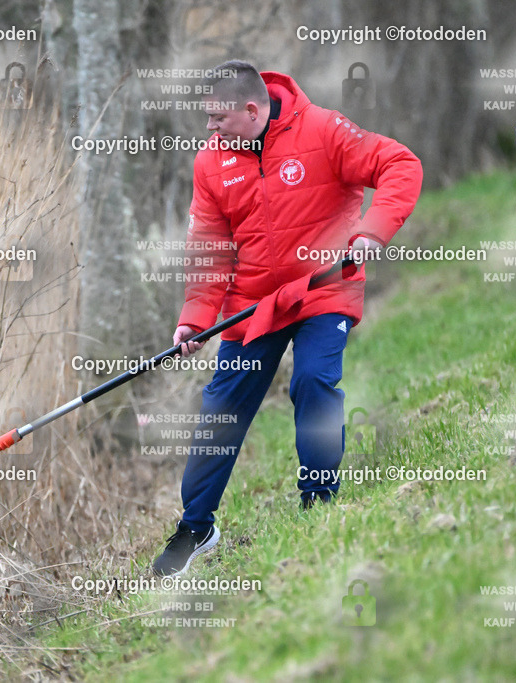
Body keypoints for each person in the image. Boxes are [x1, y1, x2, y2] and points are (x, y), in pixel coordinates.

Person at [152, 60, 422, 576]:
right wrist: (195, 318)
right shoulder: (211, 162)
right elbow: (209, 246)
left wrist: (372, 231)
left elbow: (400, 164)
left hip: (325, 286)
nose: (210, 127)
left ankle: (319, 499)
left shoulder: (323, 130)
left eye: (218, 118)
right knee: (221, 408)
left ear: (252, 110)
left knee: (313, 380)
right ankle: (196, 527)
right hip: (253, 303)